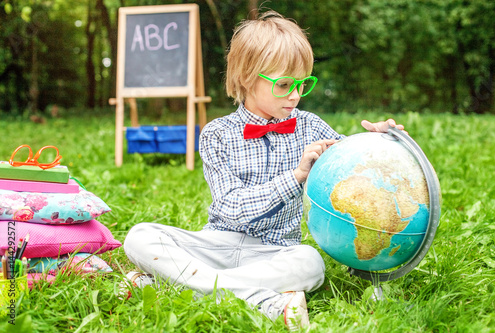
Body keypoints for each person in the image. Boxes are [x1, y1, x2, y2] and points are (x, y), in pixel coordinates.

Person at [123, 10, 405, 330]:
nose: (296, 95)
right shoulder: (216, 134)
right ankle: (265, 301)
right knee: (139, 237)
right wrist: (296, 177)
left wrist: (380, 141)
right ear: (247, 78)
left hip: (276, 254)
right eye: (285, 84)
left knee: (310, 264)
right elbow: (232, 207)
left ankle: (180, 285)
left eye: (303, 84)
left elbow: (354, 163)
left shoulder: (310, 126)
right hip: (217, 244)